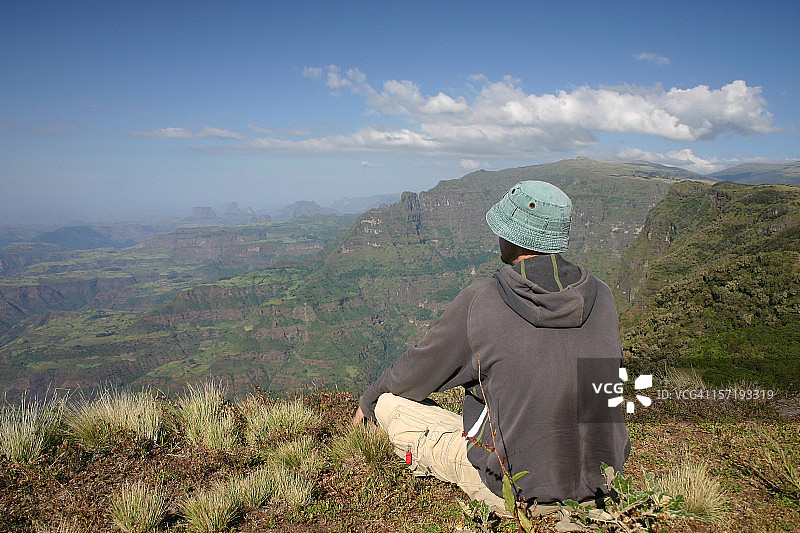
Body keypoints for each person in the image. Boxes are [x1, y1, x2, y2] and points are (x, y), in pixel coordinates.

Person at [352, 180, 630, 516]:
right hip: (604, 486)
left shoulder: (483, 300)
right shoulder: (603, 296)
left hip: (517, 492)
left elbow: (415, 372)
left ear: (510, 235)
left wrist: (368, 403)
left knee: (388, 405)